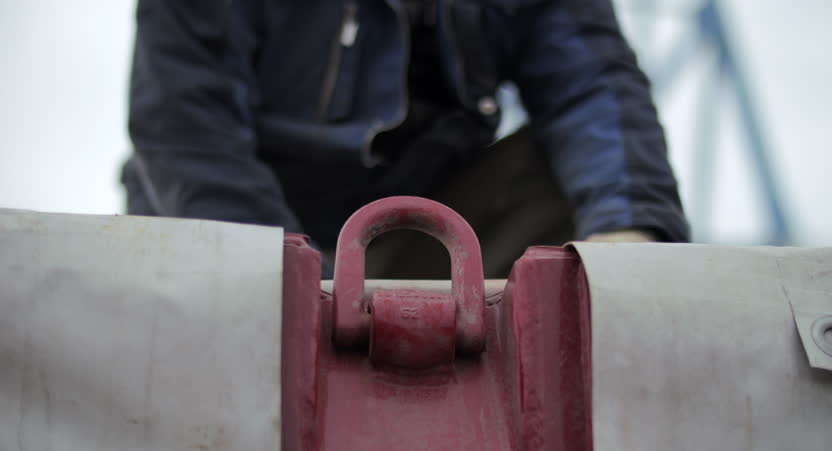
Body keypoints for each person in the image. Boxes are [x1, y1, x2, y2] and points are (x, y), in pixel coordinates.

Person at [121, 0, 689, 279]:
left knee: (580, 182)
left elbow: (589, 86)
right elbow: (188, 126)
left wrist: (631, 236)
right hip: (237, 242)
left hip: (423, 248)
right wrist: (290, 285)